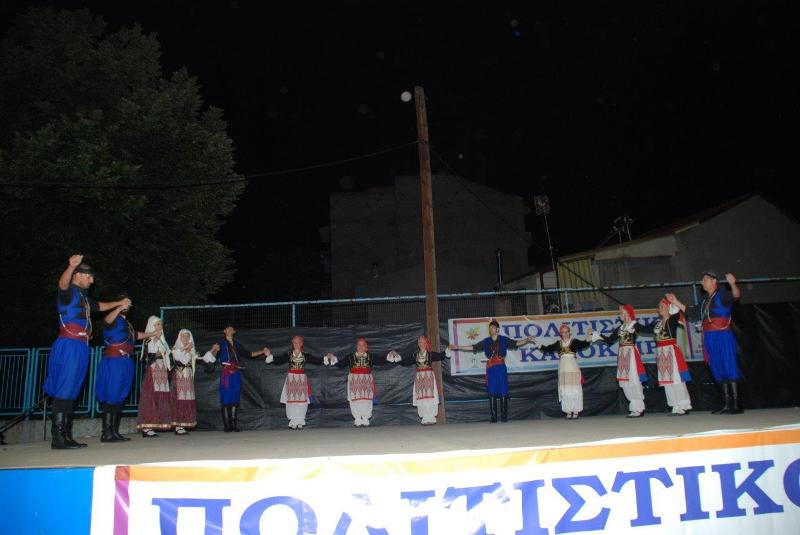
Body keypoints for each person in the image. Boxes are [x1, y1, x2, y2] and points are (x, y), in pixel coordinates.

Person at [43, 254, 131, 450]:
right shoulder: (68, 292)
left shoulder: (83, 298)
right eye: (89, 277)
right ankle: (58, 438)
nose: (92, 281)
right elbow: (62, 284)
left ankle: (66, 436)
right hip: (69, 345)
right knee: (65, 388)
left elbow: (99, 306)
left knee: (73, 389)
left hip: (81, 346)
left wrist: (118, 304)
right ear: (78, 275)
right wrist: (70, 266)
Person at [667, 271, 743, 414]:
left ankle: (736, 404)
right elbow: (692, 312)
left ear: (714, 281)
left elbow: (736, 295)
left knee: (729, 365)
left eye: (705, 279)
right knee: (716, 367)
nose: (702, 282)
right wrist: (675, 301)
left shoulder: (722, 294)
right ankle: (726, 403)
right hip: (709, 337)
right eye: (702, 280)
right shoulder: (704, 301)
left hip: (722, 335)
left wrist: (733, 284)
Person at [448, 319, 535, 423]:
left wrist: (526, 340)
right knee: (491, 390)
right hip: (491, 368)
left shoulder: (503, 340)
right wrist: (458, 347)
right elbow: (474, 347)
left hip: (501, 367)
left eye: (493, 328)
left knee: (503, 390)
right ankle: (494, 417)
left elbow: (516, 343)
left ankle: (504, 417)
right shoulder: (486, 341)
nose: (491, 329)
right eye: (490, 328)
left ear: (497, 329)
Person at [97, 301, 159, 442]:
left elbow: (136, 335)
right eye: (125, 304)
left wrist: (152, 333)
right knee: (112, 394)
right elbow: (106, 321)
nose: (127, 307)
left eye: (128, 305)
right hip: (114, 360)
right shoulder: (113, 318)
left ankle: (114, 431)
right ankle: (106, 433)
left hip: (126, 361)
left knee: (120, 396)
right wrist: (119, 306)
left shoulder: (127, 324)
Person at [205, 324, 268, 432]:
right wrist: (214, 350)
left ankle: (234, 425)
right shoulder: (220, 344)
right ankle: (227, 426)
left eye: (231, 329)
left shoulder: (237, 344)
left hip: (236, 373)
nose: (230, 330)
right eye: (228, 329)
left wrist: (262, 351)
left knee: (234, 397)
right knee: (226, 397)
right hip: (226, 373)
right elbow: (212, 357)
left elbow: (249, 354)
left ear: (234, 331)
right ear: (224, 331)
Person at [326, 337, 401, 427]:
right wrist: (332, 357)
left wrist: (391, 354)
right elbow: (341, 364)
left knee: (367, 400)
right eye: (359, 345)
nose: (361, 347)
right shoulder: (350, 357)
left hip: (366, 380)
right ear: (356, 346)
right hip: (354, 380)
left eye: (363, 345)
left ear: (366, 347)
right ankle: (357, 418)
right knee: (355, 399)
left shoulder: (370, 357)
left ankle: (365, 418)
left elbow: (381, 361)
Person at [636, 297, 692, 415]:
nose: (659, 308)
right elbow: (643, 328)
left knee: (676, 378)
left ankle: (684, 405)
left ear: (668, 308)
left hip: (671, 351)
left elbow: (677, 312)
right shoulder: (657, 324)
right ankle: (674, 405)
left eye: (662, 306)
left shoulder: (672, 320)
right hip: (661, 352)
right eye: (659, 307)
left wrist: (673, 301)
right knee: (666, 380)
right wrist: (632, 322)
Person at [591, 305, 649, 418]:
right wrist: (596, 334)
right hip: (622, 355)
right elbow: (609, 340)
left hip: (631, 354)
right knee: (625, 382)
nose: (621, 315)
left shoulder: (634, 325)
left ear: (629, 314)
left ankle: (640, 407)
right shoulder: (620, 328)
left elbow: (647, 329)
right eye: (620, 313)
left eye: (622, 313)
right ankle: (634, 407)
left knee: (634, 380)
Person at [264, 335, 331, 429]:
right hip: (291, 379)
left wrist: (326, 357)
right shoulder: (289, 354)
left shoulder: (305, 355)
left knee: (302, 401)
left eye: (298, 342)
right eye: (295, 342)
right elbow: (279, 360)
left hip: (301, 379)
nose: (296, 344)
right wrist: (269, 356)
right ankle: (293, 421)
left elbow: (316, 360)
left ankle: (300, 420)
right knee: (291, 401)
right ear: (292, 343)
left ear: (301, 343)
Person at [534, 323, 592, 419]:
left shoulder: (574, 341)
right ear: (560, 334)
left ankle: (576, 411)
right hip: (563, 369)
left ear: (569, 332)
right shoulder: (558, 343)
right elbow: (547, 349)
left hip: (573, 368)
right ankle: (568, 411)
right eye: (563, 332)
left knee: (575, 389)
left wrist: (589, 334)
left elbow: (585, 344)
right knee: (565, 390)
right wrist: (535, 341)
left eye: (566, 332)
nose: (565, 334)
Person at [396, 335, 448, 425]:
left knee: (430, 395)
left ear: (426, 343)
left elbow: (441, 356)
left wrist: (449, 349)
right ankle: (425, 417)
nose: (420, 343)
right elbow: (406, 362)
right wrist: (397, 357)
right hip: (419, 377)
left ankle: (431, 417)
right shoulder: (415, 355)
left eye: (422, 341)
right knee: (421, 396)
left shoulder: (430, 354)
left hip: (429, 376)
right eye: (419, 342)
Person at [136, 316, 173, 437]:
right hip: (153, 371)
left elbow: (167, 355)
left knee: (160, 397)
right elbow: (149, 356)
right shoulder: (149, 340)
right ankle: (147, 426)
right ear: (152, 326)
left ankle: (156, 423)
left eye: (160, 324)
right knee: (150, 397)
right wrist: (156, 340)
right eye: (157, 324)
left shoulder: (162, 341)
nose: (160, 326)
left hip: (161, 371)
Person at [170, 329, 205, 435]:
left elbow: (199, 358)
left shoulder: (191, 349)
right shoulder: (176, 348)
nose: (185, 338)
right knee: (179, 399)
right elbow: (180, 360)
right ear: (179, 337)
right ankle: (178, 425)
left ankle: (184, 423)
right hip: (179, 376)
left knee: (187, 399)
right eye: (183, 336)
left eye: (187, 336)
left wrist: (212, 352)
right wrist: (186, 349)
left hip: (188, 377)